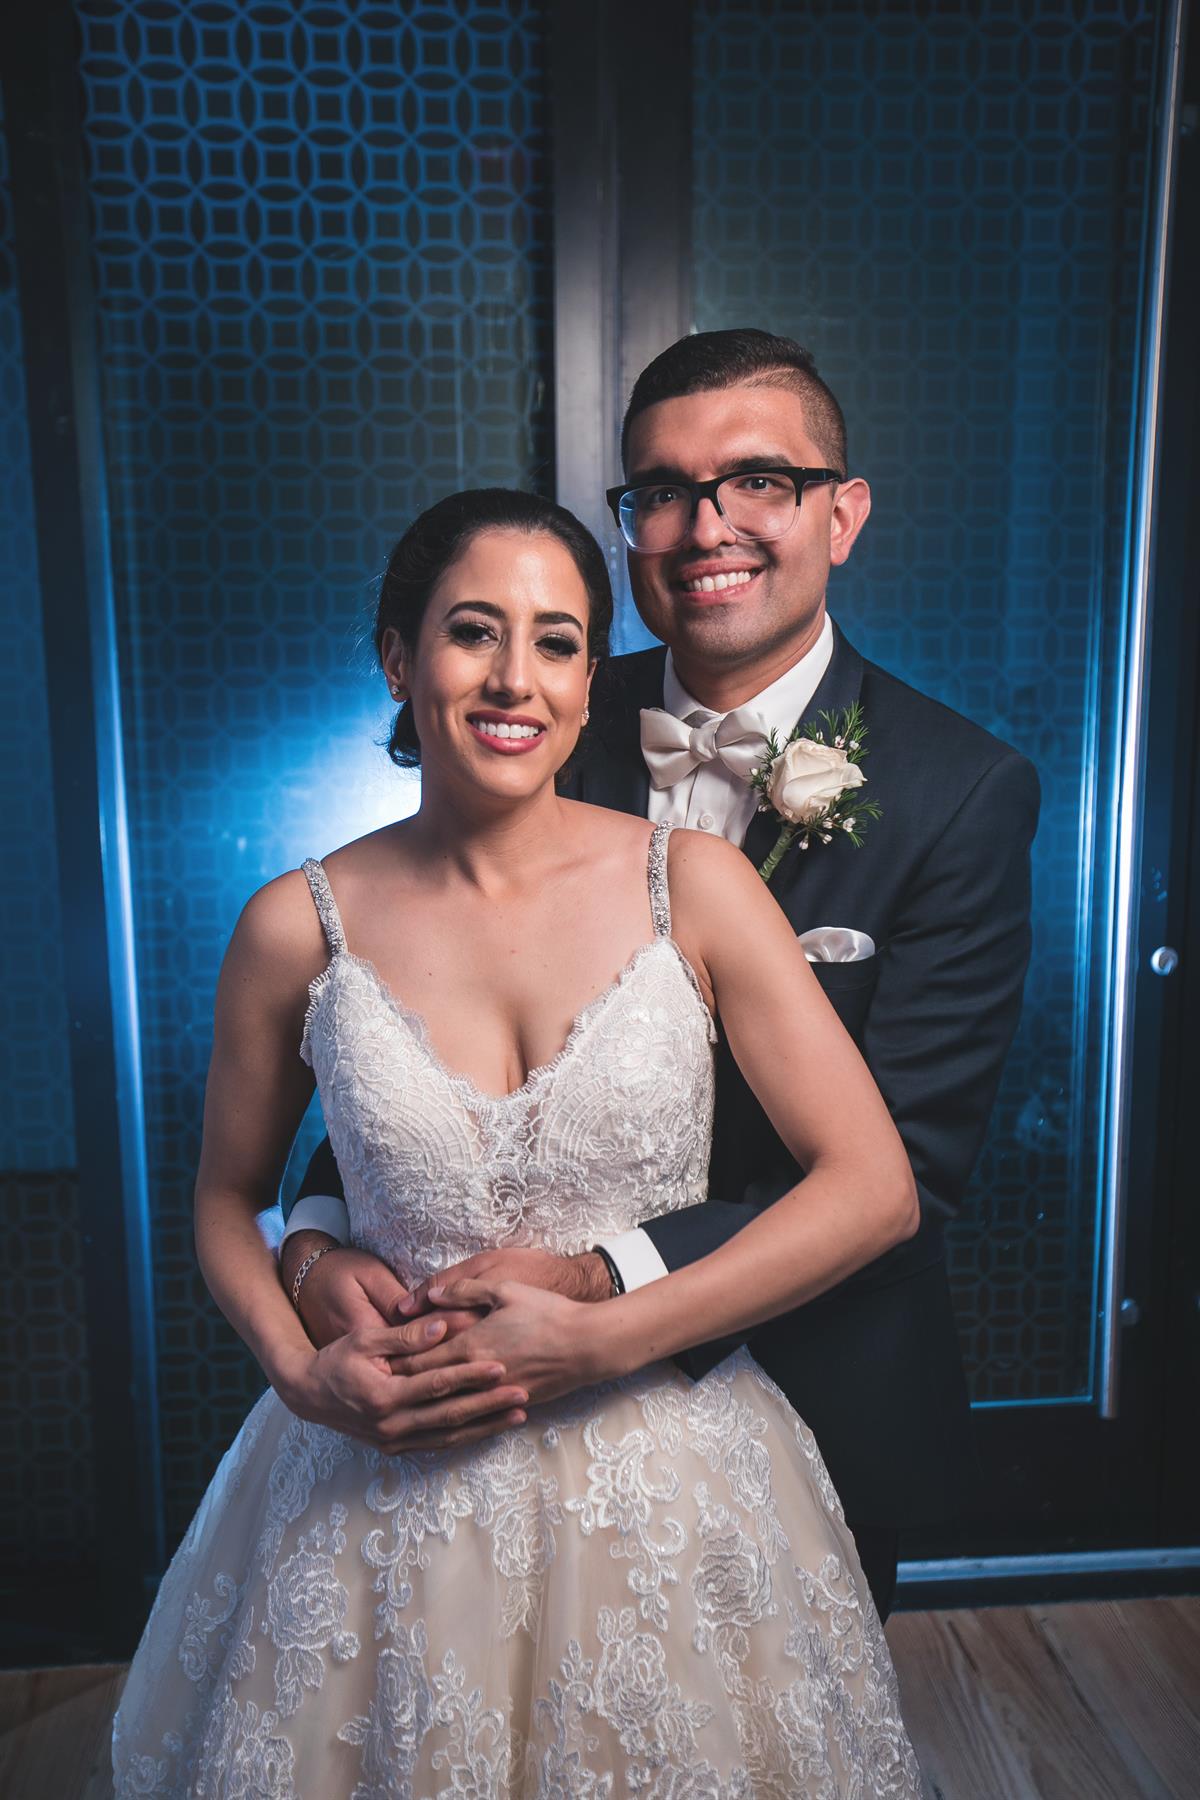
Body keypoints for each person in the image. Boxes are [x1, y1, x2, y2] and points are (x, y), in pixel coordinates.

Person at [114, 486, 923, 1795]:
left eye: (556, 642)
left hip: (667, 1482)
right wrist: (299, 1369)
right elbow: (226, 1197)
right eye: (471, 631)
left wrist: (609, 1337)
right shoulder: (294, 926)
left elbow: (874, 1189)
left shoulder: (693, 887)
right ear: (399, 657)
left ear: (590, 680)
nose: (514, 679)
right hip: (372, 1477)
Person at [283, 330, 1041, 1622]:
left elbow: (902, 1169)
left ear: (842, 515)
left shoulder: (962, 791)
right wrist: (313, 1237)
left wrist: (600, 1285)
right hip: (477, 1403)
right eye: (664, 492)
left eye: (760, 482)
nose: (707, 528)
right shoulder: (538, 703)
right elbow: (396, 1013)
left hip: (816, 1383)